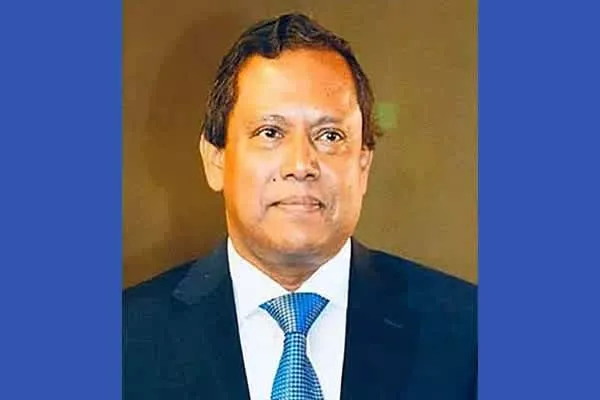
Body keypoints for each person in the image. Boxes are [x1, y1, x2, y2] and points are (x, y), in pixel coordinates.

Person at [123, 12, 477, 400]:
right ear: (215, 160)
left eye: (329, 136)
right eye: (270, 132)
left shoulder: (468, 334)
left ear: (363, 166)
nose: (301, 165)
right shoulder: (125, 341)